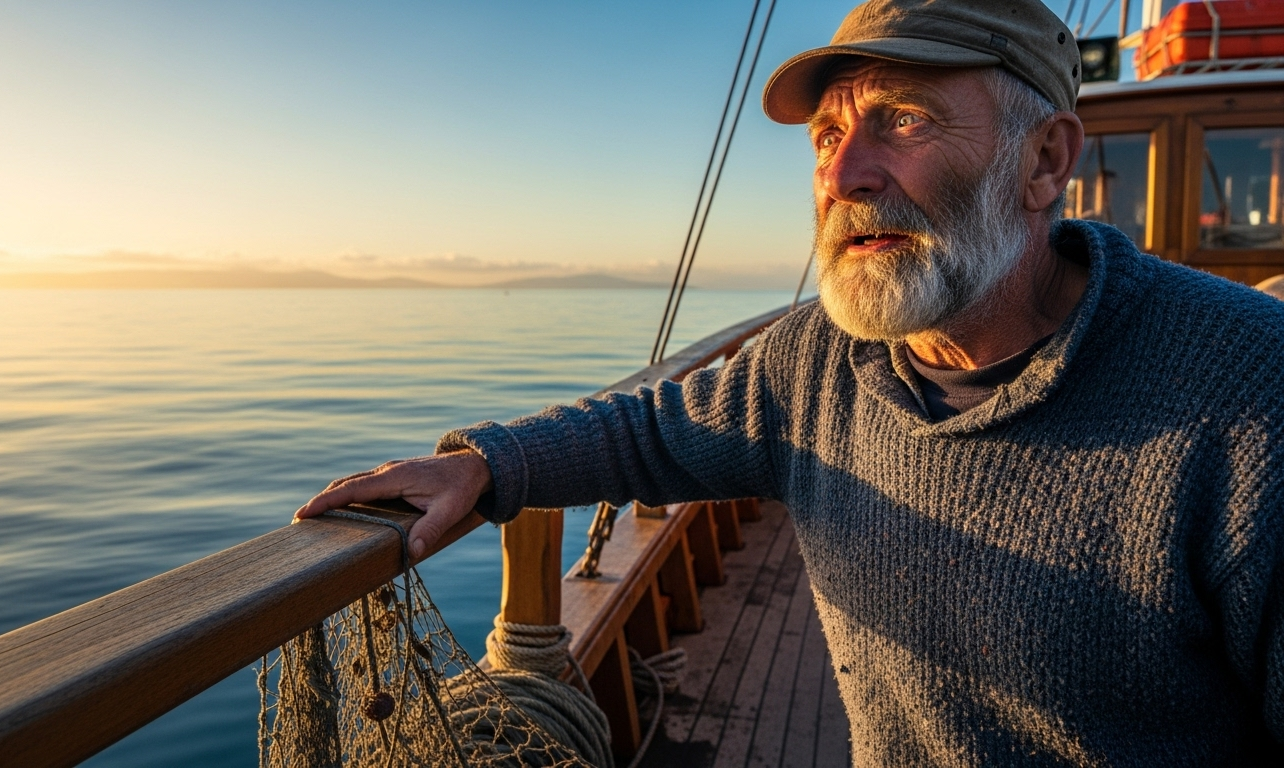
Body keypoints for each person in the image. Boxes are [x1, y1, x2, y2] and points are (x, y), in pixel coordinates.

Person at [298, 0, 1284, 762]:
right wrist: (484, 466)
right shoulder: (815, 359)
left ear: (1043, 161)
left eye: (901, 121)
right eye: (824, 137)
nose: (843, 173)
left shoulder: (1250, 393)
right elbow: (645, 434)